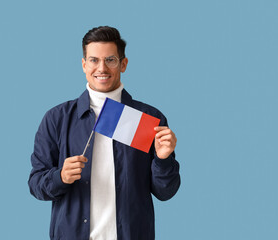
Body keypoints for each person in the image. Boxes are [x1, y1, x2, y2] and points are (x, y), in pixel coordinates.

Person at [28, 26, 181, 240]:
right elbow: (36, 184)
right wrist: (60, 176)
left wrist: (163, 160)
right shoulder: (57, 119)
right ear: (83, 64)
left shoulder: (148, 119)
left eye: (110, 59)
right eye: (93, 60)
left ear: (123, 64)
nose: (101, 68)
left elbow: (166, 192)